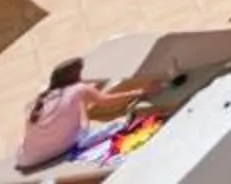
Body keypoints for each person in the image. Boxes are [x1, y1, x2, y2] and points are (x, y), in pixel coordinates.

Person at [15, 59, 150, 174]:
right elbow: (107, 102)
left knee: (78, 101)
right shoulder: (79, 88)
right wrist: (139, 92)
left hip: (27, 158)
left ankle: (87, 102)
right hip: (63, 148)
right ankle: (89, 106)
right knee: (85, 103)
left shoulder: (42, 98)